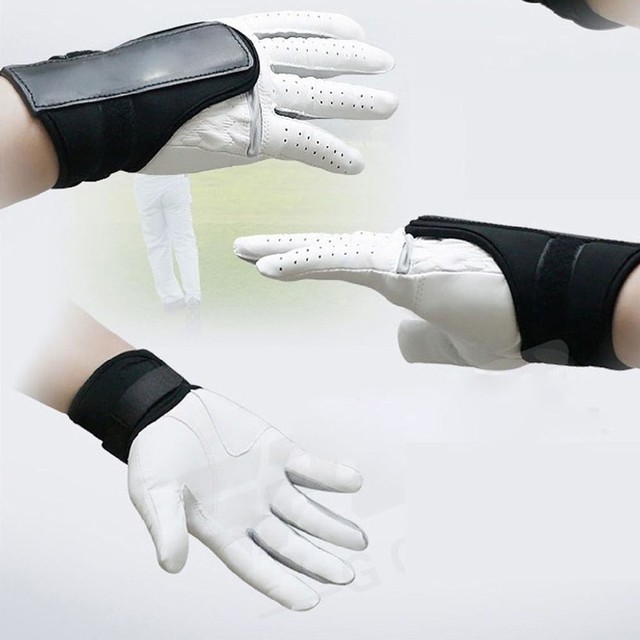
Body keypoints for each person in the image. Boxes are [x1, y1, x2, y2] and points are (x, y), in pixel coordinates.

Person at [134, 174, 201, 312]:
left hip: (146, 184)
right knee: (184, 241)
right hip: (174, 180)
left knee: (156, 244)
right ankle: (193, 294)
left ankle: (171, 298)